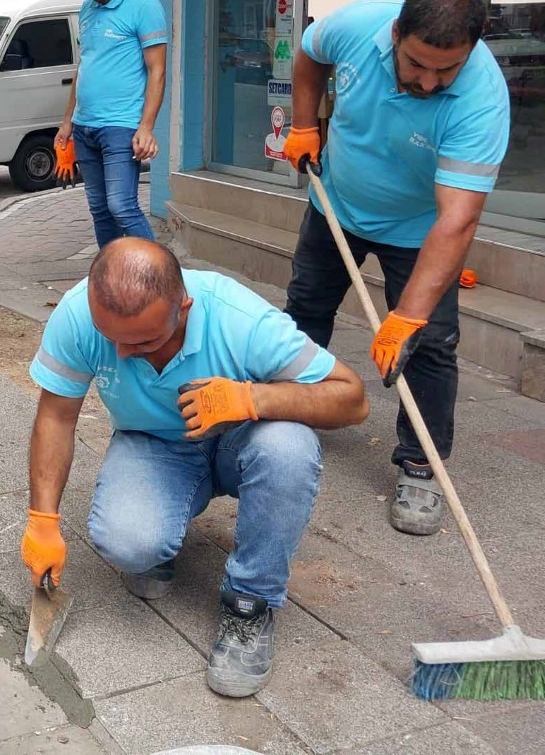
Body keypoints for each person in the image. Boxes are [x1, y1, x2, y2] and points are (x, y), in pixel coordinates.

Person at [21, 239, 366, 697]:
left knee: (288, 447)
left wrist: (251, 398)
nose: (123, 354)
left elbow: (353, 399)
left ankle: (251, 602)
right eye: (114, 340)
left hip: (244, 439)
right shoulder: (78, 315)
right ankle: (159, 542)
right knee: (129, 543)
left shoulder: (240, 320)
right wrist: (43, 519)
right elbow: (56, 417)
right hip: (155, 442)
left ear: (183, 308)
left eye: (144, 340)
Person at [281, 0, 509, 536]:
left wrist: (405, 317)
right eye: (417, 65)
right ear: (394, 36)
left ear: (472, 51)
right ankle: (286, 412)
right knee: (305, 310)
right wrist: (305, 121)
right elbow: (309, 55)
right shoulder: (357, 24)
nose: (429, 82)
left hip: (419, 230)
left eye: (446, 70)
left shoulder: (482, 100)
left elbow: (456, 220)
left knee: (428, 343)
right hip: (335, 201)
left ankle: (419, 463)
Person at [56, 0, 168, 247]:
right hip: (84, 127)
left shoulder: (144, 8)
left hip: (121, 126)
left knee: (122, 206)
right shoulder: (87, 10)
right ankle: (111, 281)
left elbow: (158, 71)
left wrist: (146, 128)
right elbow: (84, 66)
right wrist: (67, 122)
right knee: (100, 210)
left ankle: (162, 279)